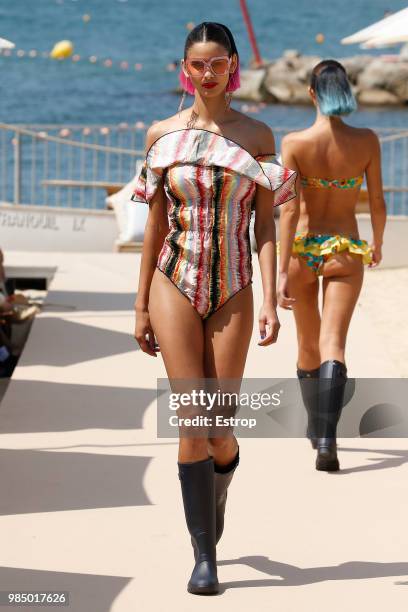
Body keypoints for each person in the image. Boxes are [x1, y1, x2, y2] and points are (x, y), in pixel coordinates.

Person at [131, 22, 296, 595]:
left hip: (233, 285)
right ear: (185, 68)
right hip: (172, 280)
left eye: (217, 64)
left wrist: (273, 294)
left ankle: (216, 484)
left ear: (233, 68)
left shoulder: (257, 134)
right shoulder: (160, 134)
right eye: (197, 64)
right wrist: (139, 305)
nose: (208, 73)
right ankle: (205, 556)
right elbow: (154, 224)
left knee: (220, 427)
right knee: (192, 418)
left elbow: (265, 226)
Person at [278, 59, 386, 472]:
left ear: (311, 93)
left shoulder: (295, 143)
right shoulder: (367, 141)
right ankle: (328, 436)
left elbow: (287, 213)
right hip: (345, 249)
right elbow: (376, 201)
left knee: (307, 345)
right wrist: (376, 243)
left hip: (303, 249)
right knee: (333, 345)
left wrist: (282, 271)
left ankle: (315, 427)